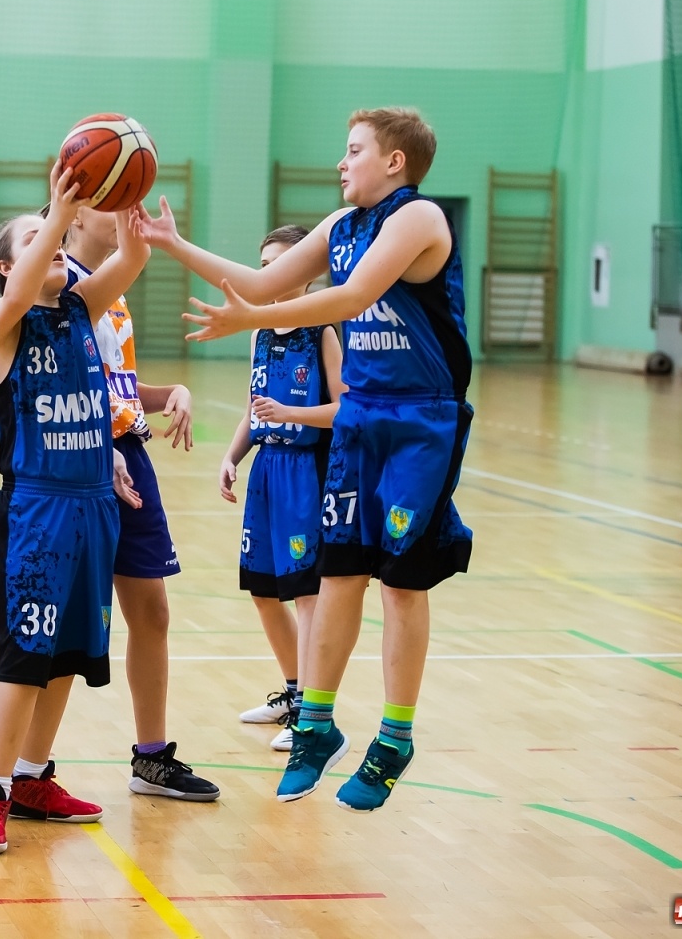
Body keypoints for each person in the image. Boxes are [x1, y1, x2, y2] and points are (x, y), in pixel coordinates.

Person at [137, 107, 470, 812]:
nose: (342, 163)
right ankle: (315, 724)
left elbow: (350, 296)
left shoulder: (418, 220)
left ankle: (395, 736)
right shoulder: (340, 227)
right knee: (339, 572)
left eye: (354, 151)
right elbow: (260, 283)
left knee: (401, 584)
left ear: (395, 163)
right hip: (360, 421)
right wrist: (174, 244)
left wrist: (248, 320)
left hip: (418, 421)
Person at [0, 165, 148, 855]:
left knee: (69, 652)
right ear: (14, 262)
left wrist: (127, 208)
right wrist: (62, 204)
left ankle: (35, 776)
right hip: (36, 511)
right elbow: (16, 290)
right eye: (39, 238)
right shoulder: (3, 322)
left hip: (92, 505)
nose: (59, 244)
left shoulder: (81, 309)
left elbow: (132, 258)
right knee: (22, 658)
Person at [62, 207, 220, 801]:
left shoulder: (115, 292)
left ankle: (150, 757)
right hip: (81, 459)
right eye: (113, 198)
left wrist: (170, 391)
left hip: (131, 451)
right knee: (72, 620)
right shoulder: (63, 284)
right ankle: (27, 769)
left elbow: (118, 387)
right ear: (75, 212)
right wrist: (101, 448)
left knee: (151, 612)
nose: (128, 209)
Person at [218, 226, 343, 752]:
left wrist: (292, 413)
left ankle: (314, 713)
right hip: (267, 471)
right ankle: (293, 695)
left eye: (279, 263)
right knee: (266, 593)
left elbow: (346, 409)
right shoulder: (259, 332)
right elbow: (255, 408)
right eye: (263, 263)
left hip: (306, 472)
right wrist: (231, 454)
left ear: (305, 272)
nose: (269, 273)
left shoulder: (325, 331)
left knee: (307, 597)